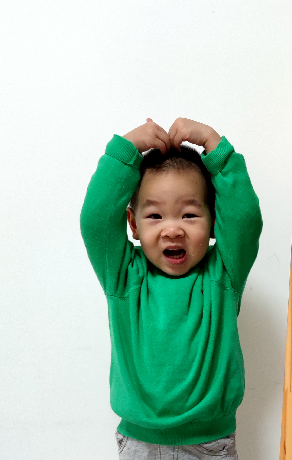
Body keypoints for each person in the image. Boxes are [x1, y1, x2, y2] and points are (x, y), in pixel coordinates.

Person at [80, 117, 263, 459]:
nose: (173, 230)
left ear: (213, 222)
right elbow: (96, 218)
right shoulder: (124, 276)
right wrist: (126, 150)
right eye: (155, 216)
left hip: (210, 444)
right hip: (139, 444)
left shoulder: (221, 275)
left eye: (190, 215)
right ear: (132, 224)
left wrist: (214, 144)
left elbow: (245, 218)